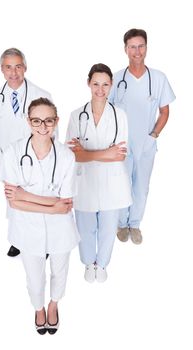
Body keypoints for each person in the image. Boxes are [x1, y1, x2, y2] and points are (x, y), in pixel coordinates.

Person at [0, 97, 80, 334]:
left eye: (48, 121)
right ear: (28, 121)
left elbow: (65, 203)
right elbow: (13, 202)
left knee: (60, 271)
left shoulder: (66, 156)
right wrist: (50, 206)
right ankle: (38, 308)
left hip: (60, 229)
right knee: (34, 278)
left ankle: (54, 305)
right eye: (36, 120)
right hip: (26, 228)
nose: (42, 126)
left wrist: (26, 195)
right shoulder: (14, 152)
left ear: (56, 122)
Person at [66, 63, 132, 283]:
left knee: (107, 228)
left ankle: (102, 264)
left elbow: (120, 155)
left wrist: (89, 153)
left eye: (105, 84)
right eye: (96, 84)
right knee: (85, 228)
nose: (100, 89)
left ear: (111, 85)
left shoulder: (119, 115)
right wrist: (106, 153)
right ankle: (88, 263)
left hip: (112, 183)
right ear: (88, 84)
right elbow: (73, 155)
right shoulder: (77, 116)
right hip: (84, 182)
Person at [109, 28, 176, 244]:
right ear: (125, 49)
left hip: (146, 143)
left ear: (146, 47)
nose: (137, 51)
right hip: (121, 144)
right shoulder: (116, 79)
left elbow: (165, 111)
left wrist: (153, 135)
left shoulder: (158, 78)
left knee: (141, 187)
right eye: (132, 47)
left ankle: (135, 224)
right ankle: (121, 223)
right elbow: (106, 111)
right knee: (121, 185)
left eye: (141, 46)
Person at [0, 48, 52, 257]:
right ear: (2, 70)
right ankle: (18, 241)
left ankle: (44, 244)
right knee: (14, 202)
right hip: (9, 161)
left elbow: (51, 129)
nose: (13, 72)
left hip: (38, 158)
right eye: (8, 67)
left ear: (25, 67)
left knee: (38, 201)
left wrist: (46, 159)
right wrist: (0, 159)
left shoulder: (41, 95)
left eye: (18, 66)